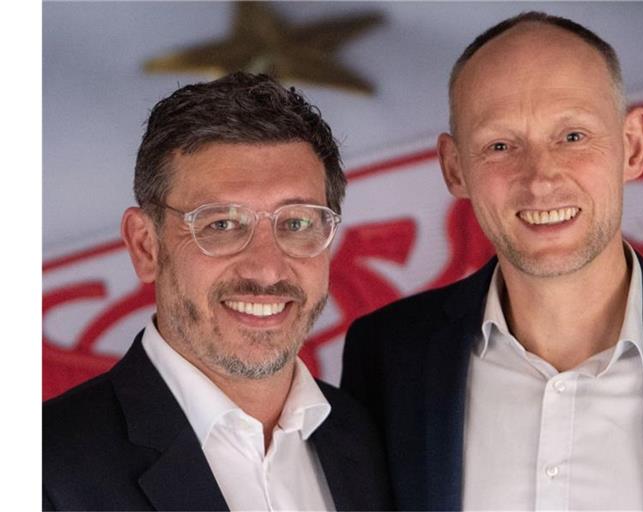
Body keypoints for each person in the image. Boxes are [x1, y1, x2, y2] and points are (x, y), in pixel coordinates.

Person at [341, 12, 643, 511]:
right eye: (500, 145)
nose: (540, 178)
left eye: (572, 137)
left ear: (633, 146)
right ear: (455, 168)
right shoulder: (388, 356)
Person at [43, 72, 392, 511]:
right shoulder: (44, 469)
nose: (267, 269)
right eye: (221, 224)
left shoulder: (371, 442)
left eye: (297, 223)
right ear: (146, 245)